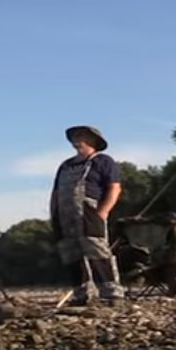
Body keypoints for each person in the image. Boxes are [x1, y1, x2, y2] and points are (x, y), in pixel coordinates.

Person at [49, 125, 125, 304]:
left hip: (89, 212)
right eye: (74, 136)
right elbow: (56, 191)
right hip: (64, 215)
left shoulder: (103, 161)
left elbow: (114, 188)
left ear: (92, 140)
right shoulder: (65, 165)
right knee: (71, 254)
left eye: (81, 136)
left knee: (97, 251)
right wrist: (54, 214)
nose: (77, 140)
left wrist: (103, 212)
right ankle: (82, 294)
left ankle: (112, 293)